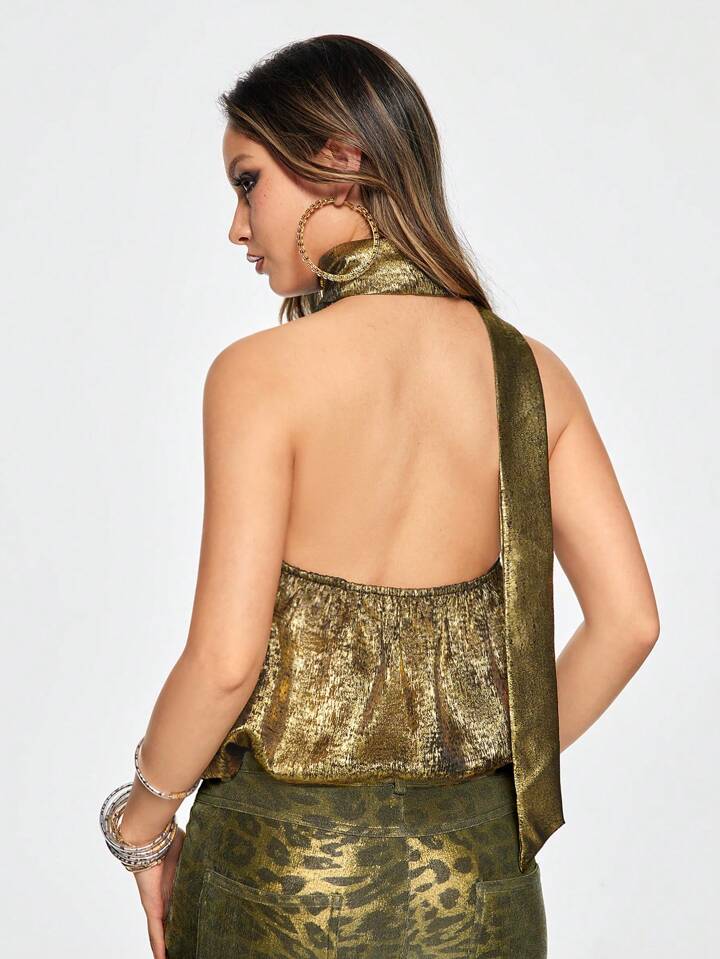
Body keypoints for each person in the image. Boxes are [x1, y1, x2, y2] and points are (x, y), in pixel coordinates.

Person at [99, 34, 660, 959]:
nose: (237, 227)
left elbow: (226, 662)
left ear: (340, 160)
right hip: (476, 881)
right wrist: (491, 777)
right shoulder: (531, 376)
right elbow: (630, 621)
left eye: (248, 183)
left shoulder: (258, 377)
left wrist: (143, 824)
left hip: (279, 879)